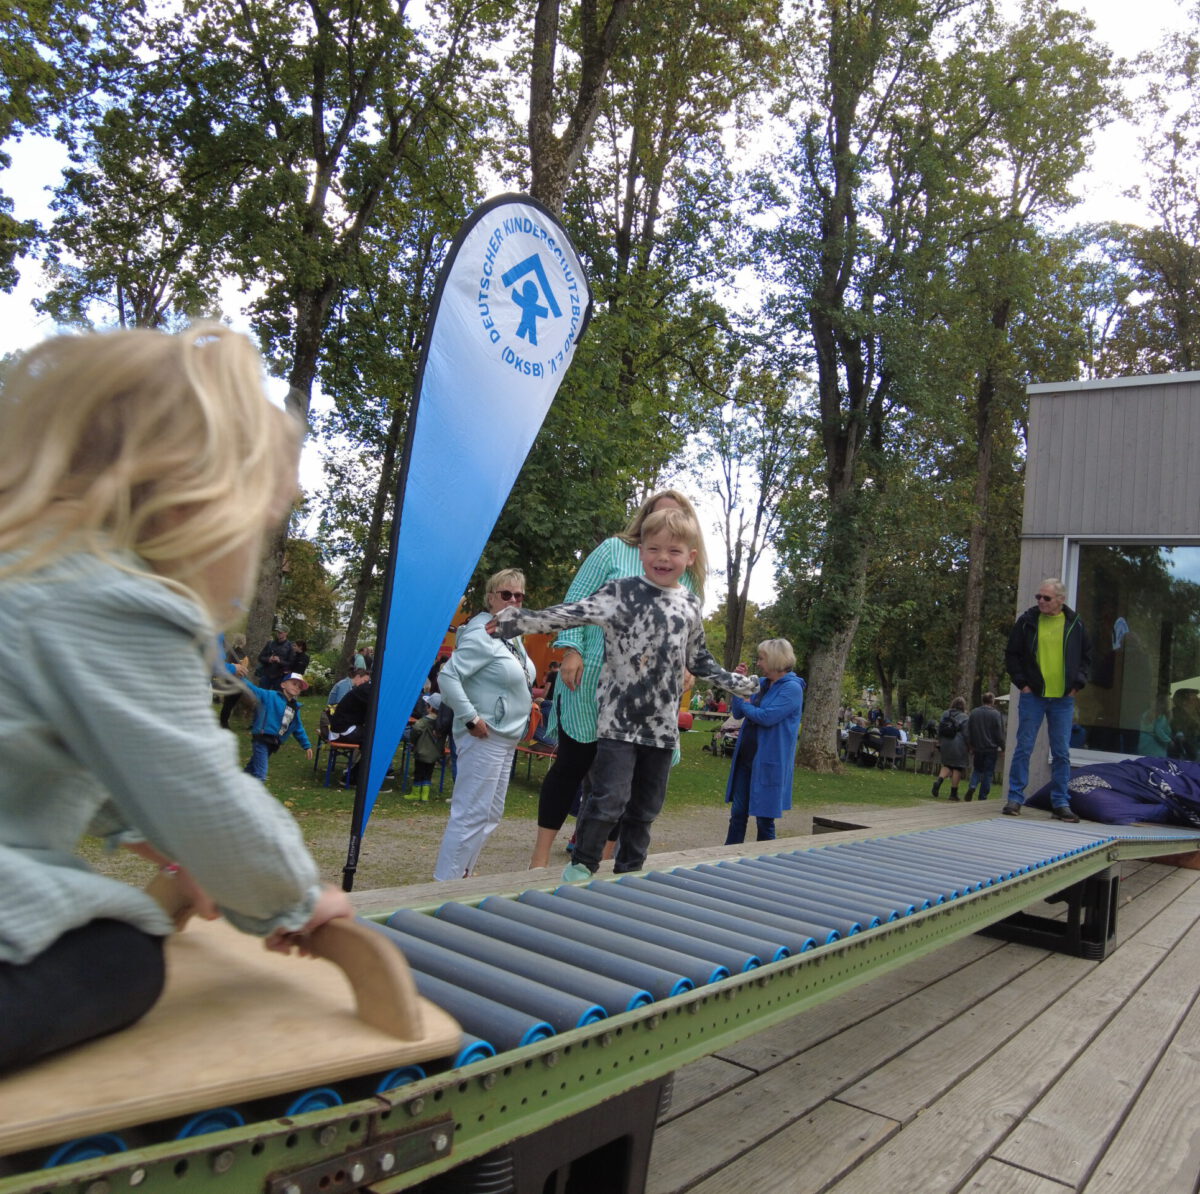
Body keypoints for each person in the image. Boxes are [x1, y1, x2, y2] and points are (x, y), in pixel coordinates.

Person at [0, 325, 353, 1072]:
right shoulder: (112, 598)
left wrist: (150, 837)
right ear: (196, 505)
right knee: (127, 955)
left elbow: (44, 751)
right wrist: (298, 895)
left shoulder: (27, 572)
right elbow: (198, 790)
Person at [490, 508, 757, 880]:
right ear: (641, 551)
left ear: (690, 557)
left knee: (646, 807)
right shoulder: (621, 593)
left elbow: (698, 658)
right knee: (609, 798)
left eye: (674, 551)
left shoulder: (689, 605)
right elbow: (571, 613)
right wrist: (517, 621)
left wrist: (737, 683)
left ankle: (630, 871)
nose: (663, 558)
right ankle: (582, 864)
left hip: (660, 727)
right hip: (617, 721)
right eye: (654, 549)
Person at [528, 488, 707, 870]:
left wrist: (687, 668)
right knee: (574, 764)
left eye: (677, 522)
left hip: (646, 696)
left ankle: (601, 859)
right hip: (591, 675)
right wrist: (571, 649)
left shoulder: (687, 575)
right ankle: (540, 858)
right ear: (644, 523)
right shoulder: (612, 550)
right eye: (658, 519)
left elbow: (686, 633)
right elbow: (577, 598)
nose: (666, 531)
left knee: (623, 782)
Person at [434, 569, 537, 881]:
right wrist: (471, 718)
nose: (513, 601)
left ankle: (462, 874)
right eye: (506, 594)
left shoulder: (510, 635)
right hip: (484, 736)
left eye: (518, 596)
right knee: (470, 814)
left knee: (490, 813)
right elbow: (448, 677)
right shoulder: (481, 633)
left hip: (505, 737)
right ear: (491, 597)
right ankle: (445, 885)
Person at [1003, 578, 1093, 821]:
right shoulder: (1027, 622)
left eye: (1046, 598)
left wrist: (1077, 684)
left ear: (1061, 600)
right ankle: (1014, 798)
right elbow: (1012, 654)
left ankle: (1060, 803)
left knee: (1062, 752)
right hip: (1034, 696)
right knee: (1024, 747)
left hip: (1063, 699)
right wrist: (1022, 683)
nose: (1041, 601)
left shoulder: (1075, 624)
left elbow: (1086, 657)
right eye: (1038, 597)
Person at [723, 639, 805, 844]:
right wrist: (739, 684)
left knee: (764, 820)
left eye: (762, 659)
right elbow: (738, 712)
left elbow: (767, 717)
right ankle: (728, 855)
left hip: (770, 762)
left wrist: (746, 702)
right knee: (738, 814)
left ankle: (767, 859)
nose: (758, 663)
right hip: (747, 758)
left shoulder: (792, 688)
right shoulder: (761, 683)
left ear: (775, 660)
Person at [242, 671, 314, 780]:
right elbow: (253, 689)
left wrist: (307, 745)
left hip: (274, 743)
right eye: (294, 684)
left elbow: (298, 727)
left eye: (299, 687)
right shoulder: (270, 696)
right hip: (262, 739)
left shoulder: (294, 707)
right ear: (283, 684)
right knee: (260, 775)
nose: (297, 688)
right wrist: (239, 676)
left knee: (251, 769)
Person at [965, 692, 1005, 801]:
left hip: (978, 747)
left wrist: (971, 745)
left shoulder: (974, 713)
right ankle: (983, 796)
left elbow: (968, 731)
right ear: (992, 701)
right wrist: (1003, 747)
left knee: (977, 769)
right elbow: (999, 733)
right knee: (988, 772)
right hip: (991, 748)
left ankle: (972, 786)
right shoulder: (996, 714)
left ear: (983, 700)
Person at [931, 696, 969, 800]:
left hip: (945, 742)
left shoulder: (945, 713)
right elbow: (966, 734)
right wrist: (970, 745)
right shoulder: (965, 717)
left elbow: (939, 729)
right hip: (958, 744)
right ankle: (953, 794)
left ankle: (939, 780)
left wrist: (939, 741)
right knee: (957, 767)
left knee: (947, 764)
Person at [218, 632, 249, 727]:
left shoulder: (229, 651)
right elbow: (242, 667)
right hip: (236, 680)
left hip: (229, 679)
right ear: (243, 642)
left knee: (228, 702)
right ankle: (224, 722)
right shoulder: (241, 654)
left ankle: (224, 721)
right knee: (229, 703)